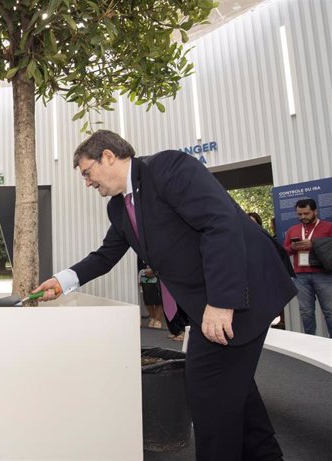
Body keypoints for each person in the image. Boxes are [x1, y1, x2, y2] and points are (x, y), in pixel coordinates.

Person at [34, 130, 297, 461]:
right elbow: (105, 255)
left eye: (87, 172)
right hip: (211, 306)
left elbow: (220, 223)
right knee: (234, 391)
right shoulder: (118, 208)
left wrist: (221, 301)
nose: (87, 183)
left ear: (108, 157)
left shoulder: (168, 168)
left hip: (241, 293)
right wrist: (61, 281)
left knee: (209, 399)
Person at [283, 199, 332, 336]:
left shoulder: (328, 227)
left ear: (315, 211)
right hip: (300, 276)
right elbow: (285, 250)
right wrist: (293, 247)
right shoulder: (293, 230)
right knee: (306, 312)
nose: (303, 217)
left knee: (329, 311)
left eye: (306, 213)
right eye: (299, 214)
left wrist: (314, 244)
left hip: (324, 275)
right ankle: (310, 343)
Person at [139, 265, 163, 329]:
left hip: (159, 275)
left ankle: (157, 320)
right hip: (145, 275)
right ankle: (152, 318)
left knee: (159, 299)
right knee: (148, 299)